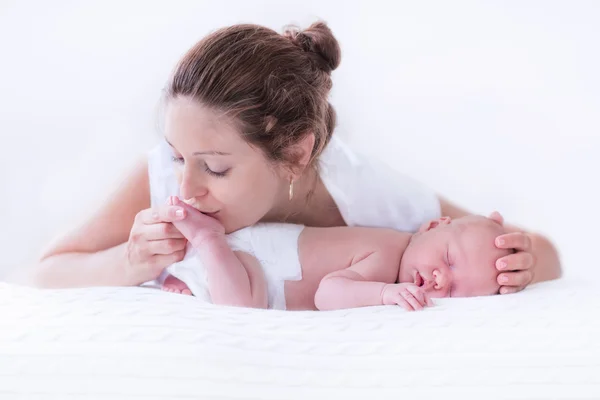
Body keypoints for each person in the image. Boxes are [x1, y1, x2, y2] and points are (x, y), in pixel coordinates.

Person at [30, 21, 561, 296]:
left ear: (297, 151)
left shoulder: (364, 194)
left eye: (215, 167)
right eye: (177, 154)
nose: (185, 186)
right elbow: (51, 271)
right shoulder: (164, 178)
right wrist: (128, 262)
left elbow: (541, 252)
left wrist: (523, 264)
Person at [161, 195, 510, 311]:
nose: (441, 278)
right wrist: (385, 293)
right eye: (448, 260)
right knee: (240, 306)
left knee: (236, 293)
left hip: (256, 264)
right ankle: (208, 241)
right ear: (433, 227)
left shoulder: (394, 251)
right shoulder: (389, 252)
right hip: (261, 260)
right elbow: (327, 294)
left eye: (454, 290)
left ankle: (191, 278)